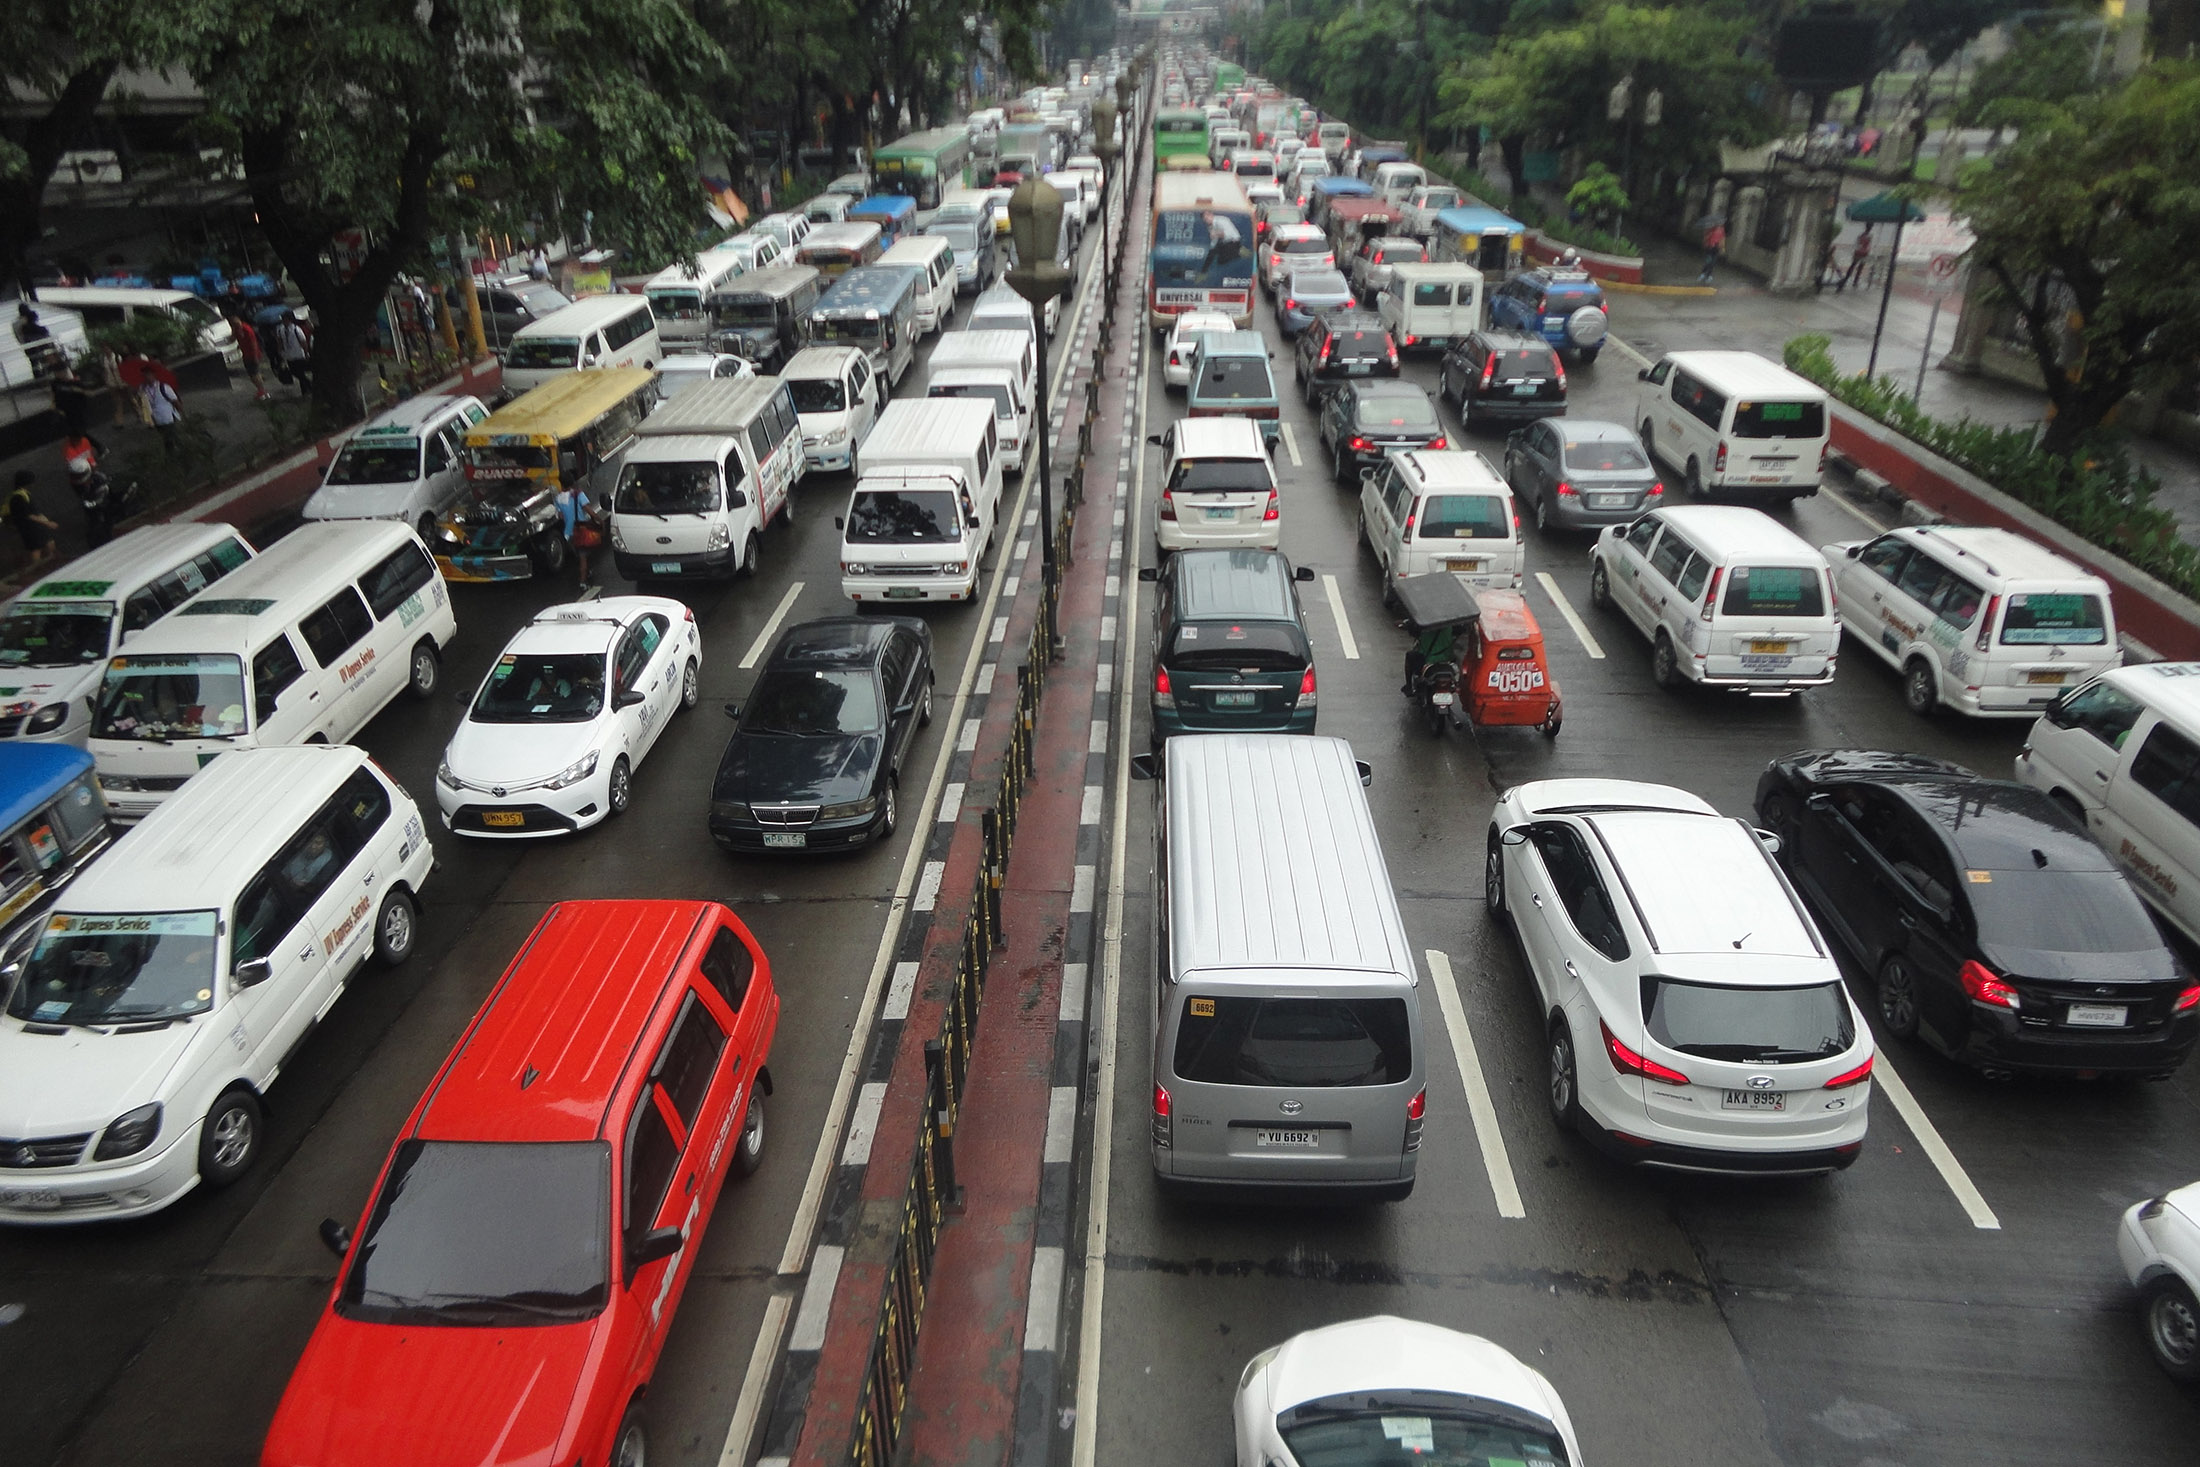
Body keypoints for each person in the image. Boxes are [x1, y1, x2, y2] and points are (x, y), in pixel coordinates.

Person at [8, 470, 59, 564]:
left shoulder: (24, 494)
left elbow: (34, 512)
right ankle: (38, 568)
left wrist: (46, 521)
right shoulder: (18, 497)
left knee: (49, 543)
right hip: (29, 528)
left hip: (37, 526)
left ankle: (51, 563)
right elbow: (28, 515)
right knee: (36, 549)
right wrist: (48, 523)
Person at [1401, 621, 1461, 697]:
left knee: (1409, 656)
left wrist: (1406, 625)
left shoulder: (1423, 621)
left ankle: (1409, 687)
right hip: (1447, 658)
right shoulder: (1449, 621)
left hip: (1426, 660)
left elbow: (1412, 630)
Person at [230, 310, 269, 400]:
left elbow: (253, 343)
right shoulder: (237, 330)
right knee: (252, 374)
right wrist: (234, 331)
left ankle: (262, 390)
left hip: (252, 354)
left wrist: (255, 356)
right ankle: (261, 388)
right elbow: (231, 339)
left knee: (254, 374)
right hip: (246, 354)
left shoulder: (247, 329)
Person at [143, 374, 185, 454]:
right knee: (166, 438)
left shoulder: (164, 387)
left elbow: (175, 400)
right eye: (145, 375)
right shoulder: (145, 390)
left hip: (168, 417)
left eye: (149, 374)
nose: (148, 377)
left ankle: (177, 454)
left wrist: (180, 410)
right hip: (157, 419)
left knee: (171, 437)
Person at [275, 310, 312, 393]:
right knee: (296, 373)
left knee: (300, 373)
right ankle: (308, 387)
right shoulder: (281, 329)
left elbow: (303, 342)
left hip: (298, 355)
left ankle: (307, 389)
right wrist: (280, 352)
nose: (284, 321)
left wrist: (306, 354)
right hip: (289, 355)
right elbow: (280, 341)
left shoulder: (296, 329)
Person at [1835, 225, 1872, 293]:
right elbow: (1867, 245)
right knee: (1859, 266)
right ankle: (1855, 280)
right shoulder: (1868, 236)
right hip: (1864, 253)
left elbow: (1858, 244)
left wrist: (1857, 249)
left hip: (1859, 252)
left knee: (1854, 265)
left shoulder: (1862, 235)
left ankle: (1849, 279)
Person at [1698, 220, 1726, 286]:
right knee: (1708, 261)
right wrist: (1706, 242)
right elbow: (1706, 238)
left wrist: (1722, 248)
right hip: (1710, 248)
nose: (1719, 225)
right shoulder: (1711, 230)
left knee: (1712, 263)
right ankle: (1703, 273)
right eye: (1718, 223)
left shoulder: (1722, 231)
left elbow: (1722, 239)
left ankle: (1709, 275)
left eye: (1720, 224)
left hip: (1716, 248)